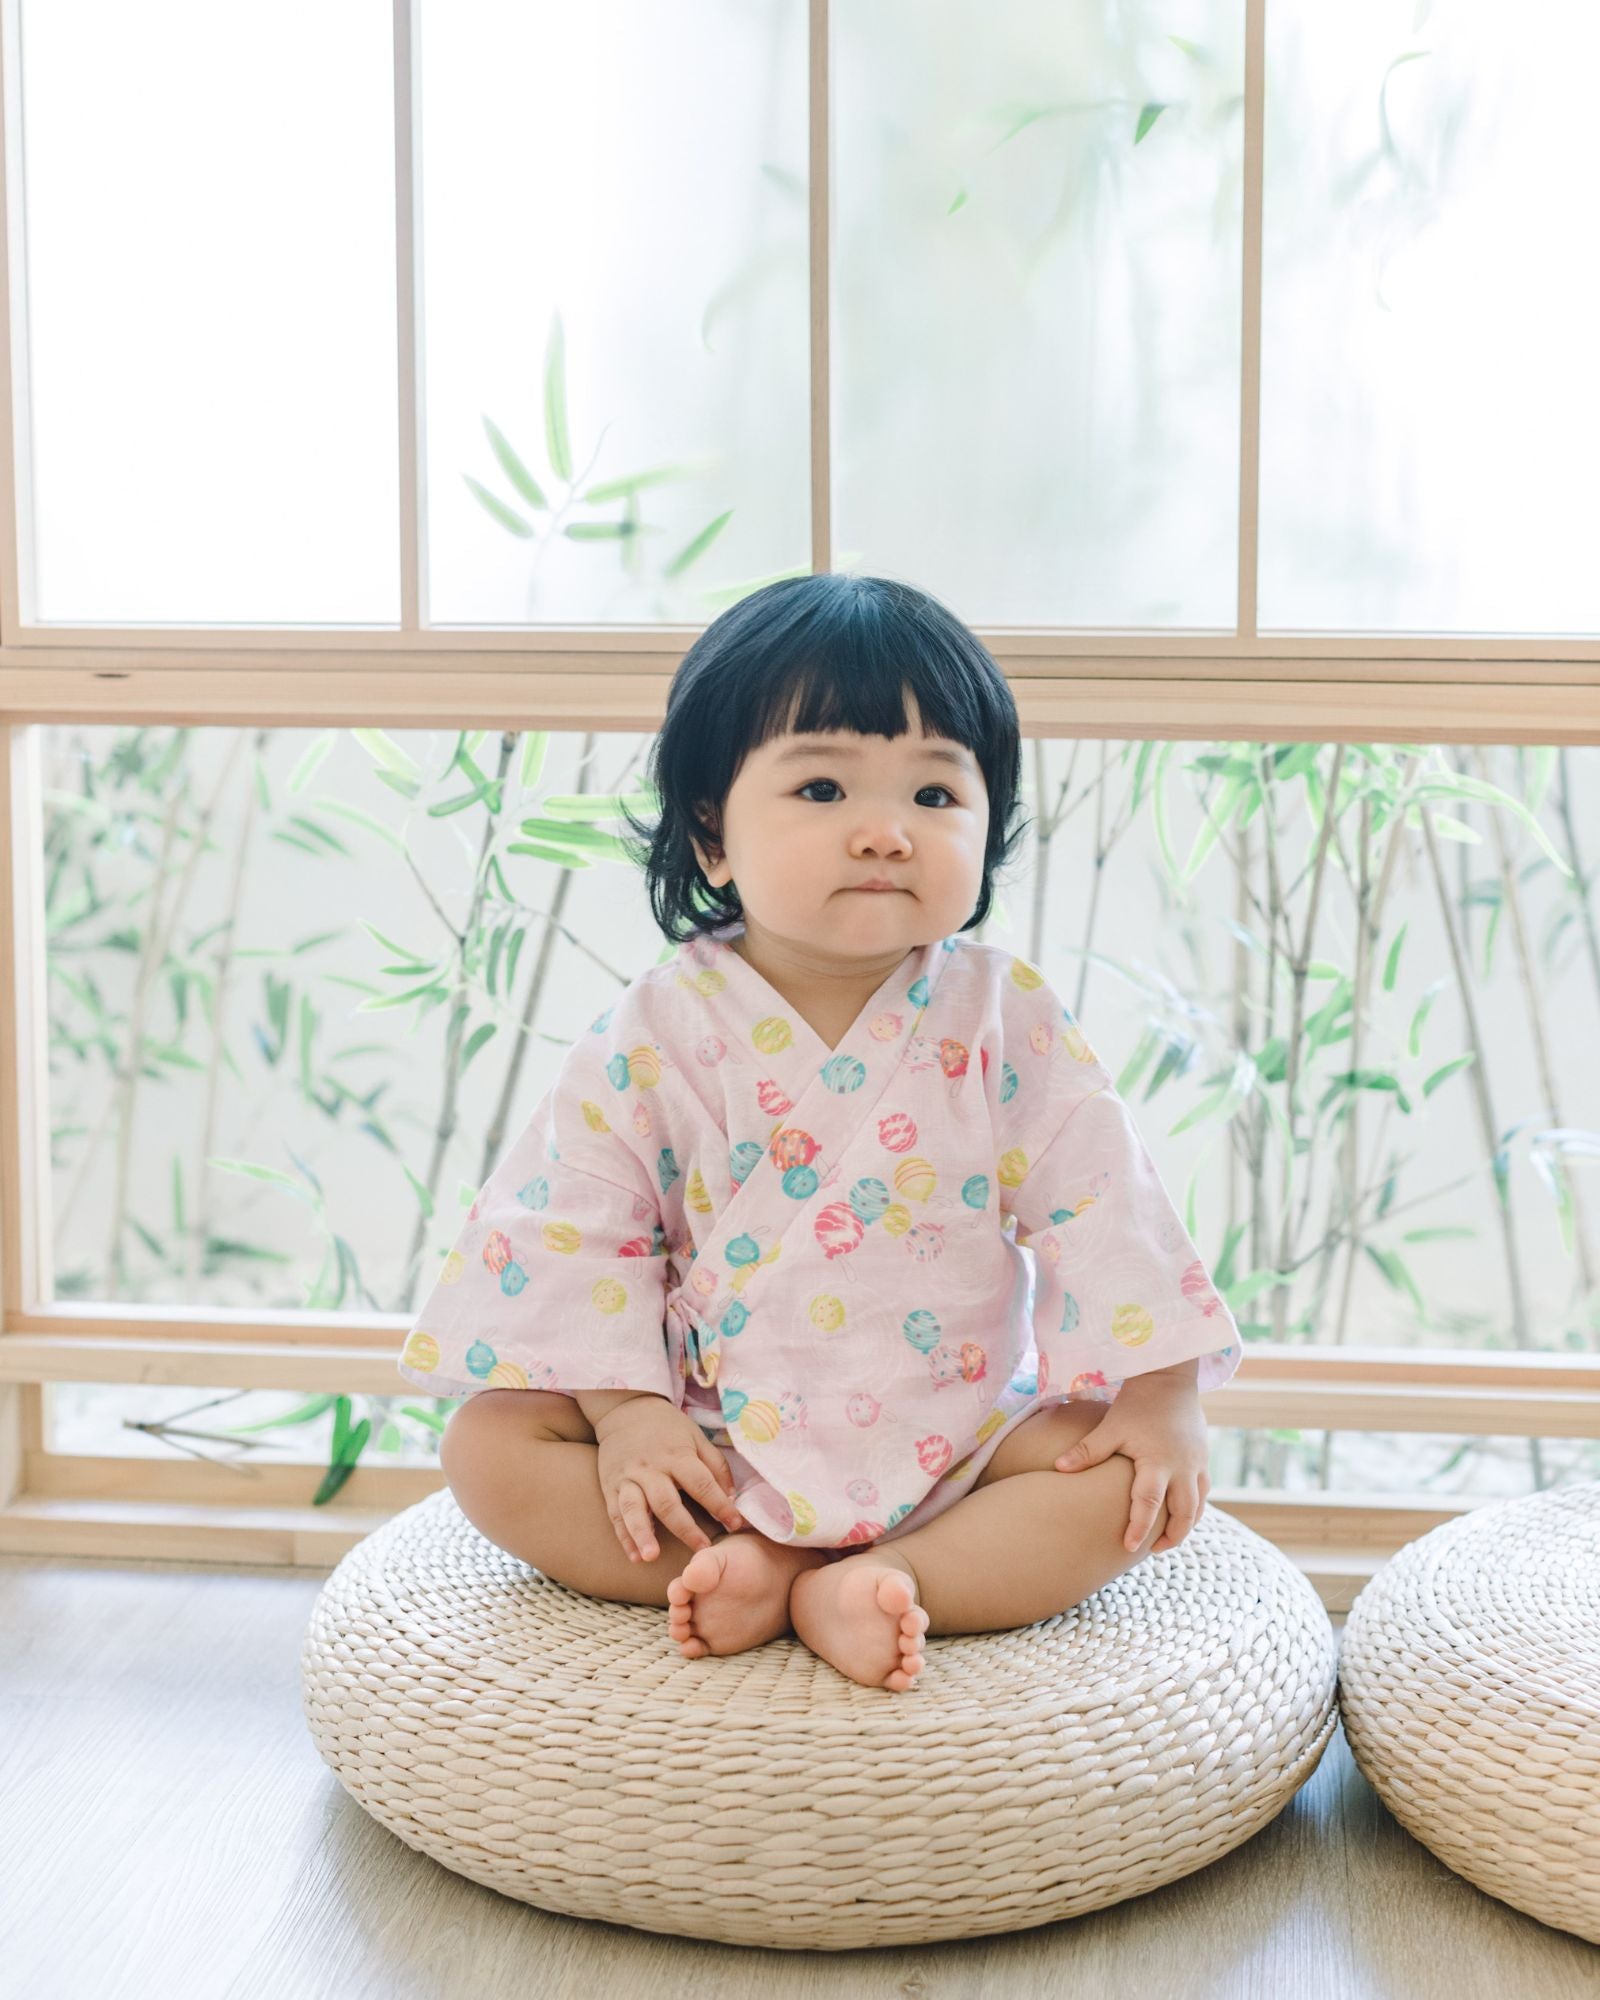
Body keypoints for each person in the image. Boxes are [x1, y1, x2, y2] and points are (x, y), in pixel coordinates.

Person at [398, 572, 1241, 1693]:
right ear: (712, 831)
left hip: (960, 1433)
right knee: (489, 1449)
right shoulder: (654, 1028)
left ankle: (888, 1575)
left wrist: (1158, 1391)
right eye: (825, 785)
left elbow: (1102, 1197)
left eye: (936, 796)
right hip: (712, 1436)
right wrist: (629, 1413)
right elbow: (580, 1228)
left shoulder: (1005, 1016)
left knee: (1115, 1481)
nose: (885, 832)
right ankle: (753, 1551)